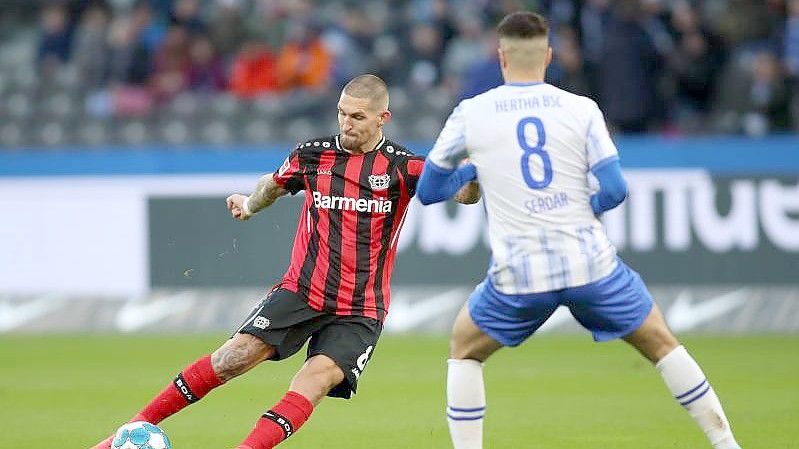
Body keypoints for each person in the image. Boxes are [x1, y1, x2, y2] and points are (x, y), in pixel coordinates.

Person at [90, 74, 478, 449]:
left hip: (360, 308)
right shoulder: (313, 154)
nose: (346, 123)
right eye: (342, 113)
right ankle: (125, 433)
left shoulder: (402, 167)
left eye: (357, 116)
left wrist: (476, 170)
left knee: (316, 379)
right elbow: (273, 184)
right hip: (302, 291)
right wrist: (248, 205)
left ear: (382, 118)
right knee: (231, 359)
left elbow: (464, 195)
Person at [415, 11, 743, 449]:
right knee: (663, 344)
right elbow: (615, 189)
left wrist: (472, 172)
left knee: (464, 350)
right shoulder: (581, 108)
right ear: (549, 56)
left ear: (501, 57)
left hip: (520, 274)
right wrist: (578, 211)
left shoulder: (472, 114)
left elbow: (428, 190)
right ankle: (726, 445)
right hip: (591, 265)